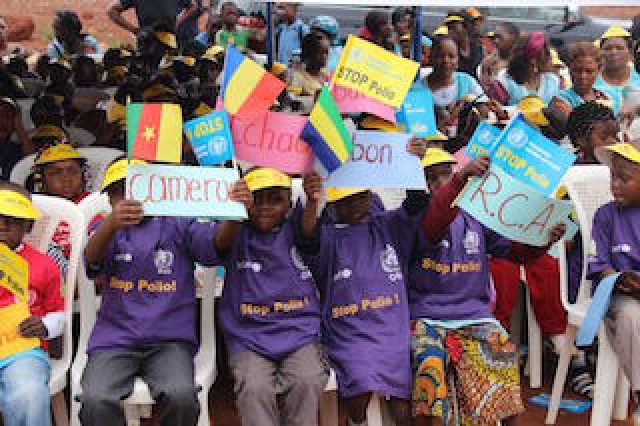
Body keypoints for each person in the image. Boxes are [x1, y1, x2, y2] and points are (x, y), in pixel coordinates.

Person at [409, 150, 566, 425]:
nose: (440, 183)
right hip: (427, 319)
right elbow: (435, 224)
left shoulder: (476, 216)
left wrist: (543, 240)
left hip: (475, 317)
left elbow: (515, 252)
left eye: (446, 174)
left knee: (504, 354)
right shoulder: (419, 218)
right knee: (429, 373)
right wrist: (459, 180)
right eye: (432, 178)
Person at [297, 140, 428, 426]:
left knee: (405, 409)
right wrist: (311, 200)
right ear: (333, 204)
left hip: (392, 332)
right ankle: (356, 421)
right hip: (349, 335)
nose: (355, 205)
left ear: (371, 194)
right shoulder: (328, 237)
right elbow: (306, 241)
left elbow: (417, 204)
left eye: (361, 196)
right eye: (345, 200)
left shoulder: (387, 226)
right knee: (359, 392)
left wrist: (414, 164)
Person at [79, 159, 219, 426]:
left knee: (181, 396)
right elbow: (91, 264)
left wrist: (234, 215)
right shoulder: (106, 229)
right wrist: (110, 225)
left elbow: (213, 247)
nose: (129, 197)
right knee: (95, 399)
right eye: (119, 191)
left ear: (155, 189)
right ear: (108, 199)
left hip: (170, 340)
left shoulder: (179, 222)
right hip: (115, 339)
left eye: (137, 187)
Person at [214, 168, 328, 425]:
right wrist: (235, 211)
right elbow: (217, 243)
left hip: (299, 333)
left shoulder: (297, 225)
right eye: (257, 199)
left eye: (275, 199)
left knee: (307, 380)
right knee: (253, 388)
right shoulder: (236, 230)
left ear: (289, 202)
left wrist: (311, 201)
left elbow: (309, 235)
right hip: (248, 338)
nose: (264, 207)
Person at [0, 182, 65, 426]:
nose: (2, 225)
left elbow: (59, 313)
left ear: (28, 225)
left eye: (12, 219)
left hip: (21, 350)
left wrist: (45, 326)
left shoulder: (44, 264)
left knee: (28, 395)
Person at [589, 140, 640, 424]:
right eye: (613, 177)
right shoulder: (607, 215)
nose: (616, 185)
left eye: (625, 178)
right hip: (618, 294)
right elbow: (599, 262)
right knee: (632, 316)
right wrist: (617, 278)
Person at [488, 32, 561, 106]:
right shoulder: (505, 82)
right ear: (533, 60)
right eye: (547, 54)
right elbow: (495, 112)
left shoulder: (553, 81)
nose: (551, 58)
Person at [552, 41, 618, 117]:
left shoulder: (606, 96)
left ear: (599, 71)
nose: (583, 76)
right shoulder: (560, 100)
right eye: (577, 70)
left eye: (589, 71)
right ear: (569, 69)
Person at [426, 36, 486, 110]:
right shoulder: (418, 89)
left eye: (451, 56)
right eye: (440, 56)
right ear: (431, 58)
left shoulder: (467, 82)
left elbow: (485, 109)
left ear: (458, 60)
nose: (446, 61)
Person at [594, 26, 640, 117]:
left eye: (619, 48)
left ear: (630, 53)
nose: (613, 52)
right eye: (607, 48)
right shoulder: (589, 80)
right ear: (600, 53)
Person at [107, 0, 199, 41]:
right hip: (148, 41)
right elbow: (111, 10)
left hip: (168, 40)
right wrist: (134, 30)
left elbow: (192, 6)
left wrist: (178, 21)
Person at [0, 97, 33, 180]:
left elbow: (33, 160)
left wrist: (20, 128)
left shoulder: (16, 150)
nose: (2, 121)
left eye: (7, 116)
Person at [289, 32, 330, 97]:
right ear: (309, 53)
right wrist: (313, 98)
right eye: (321, 53)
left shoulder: (328, 74)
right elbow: (292, 102)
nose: (325, 57)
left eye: (326, 52)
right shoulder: (297, 77)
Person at [443, 12, 483, 77]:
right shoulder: (449, 50)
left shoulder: (478, 48)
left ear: (466, 27)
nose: (449, 32)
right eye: (448, 28)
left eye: (453, 28)